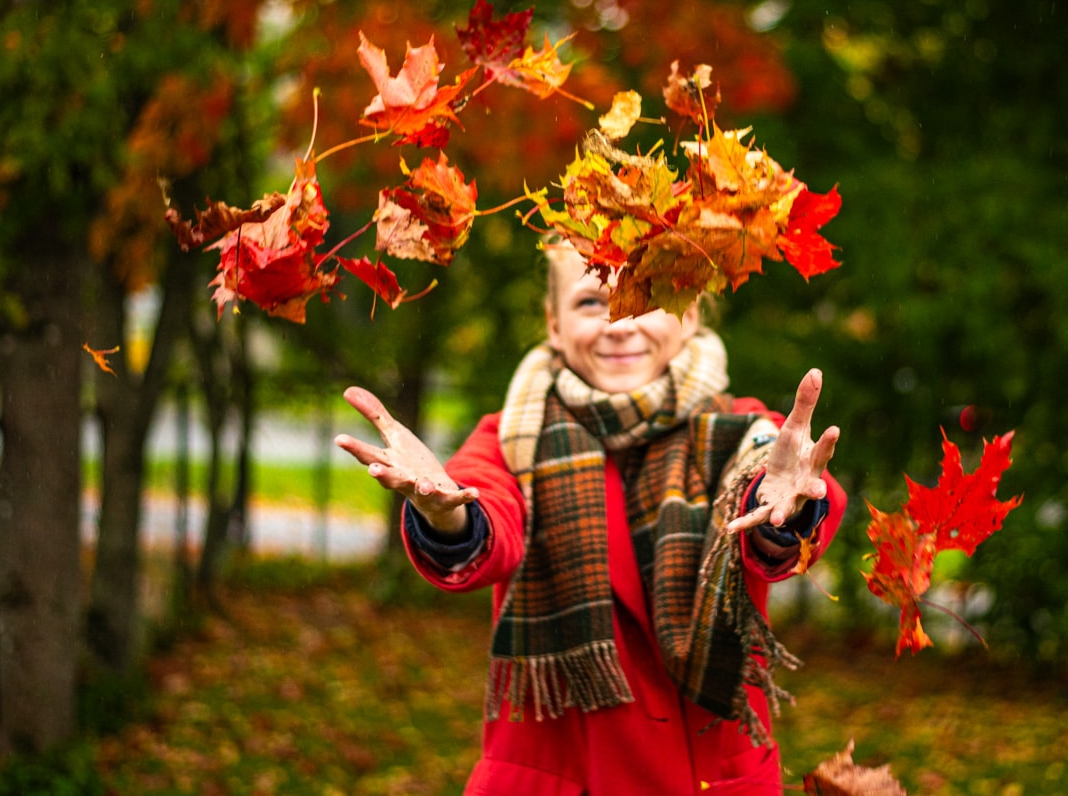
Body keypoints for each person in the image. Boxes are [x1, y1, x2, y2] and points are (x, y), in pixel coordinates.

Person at [335, 243, 846, 795]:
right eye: (589, 302)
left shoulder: (744, 432)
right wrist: (443, 513)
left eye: (644, 298)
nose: (619, 324)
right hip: (559, 775)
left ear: (689, 314)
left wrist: (782, 513)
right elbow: (487, 514)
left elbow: (765, 497)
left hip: (706, 775)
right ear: (554, 324)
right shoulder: (514, 435)